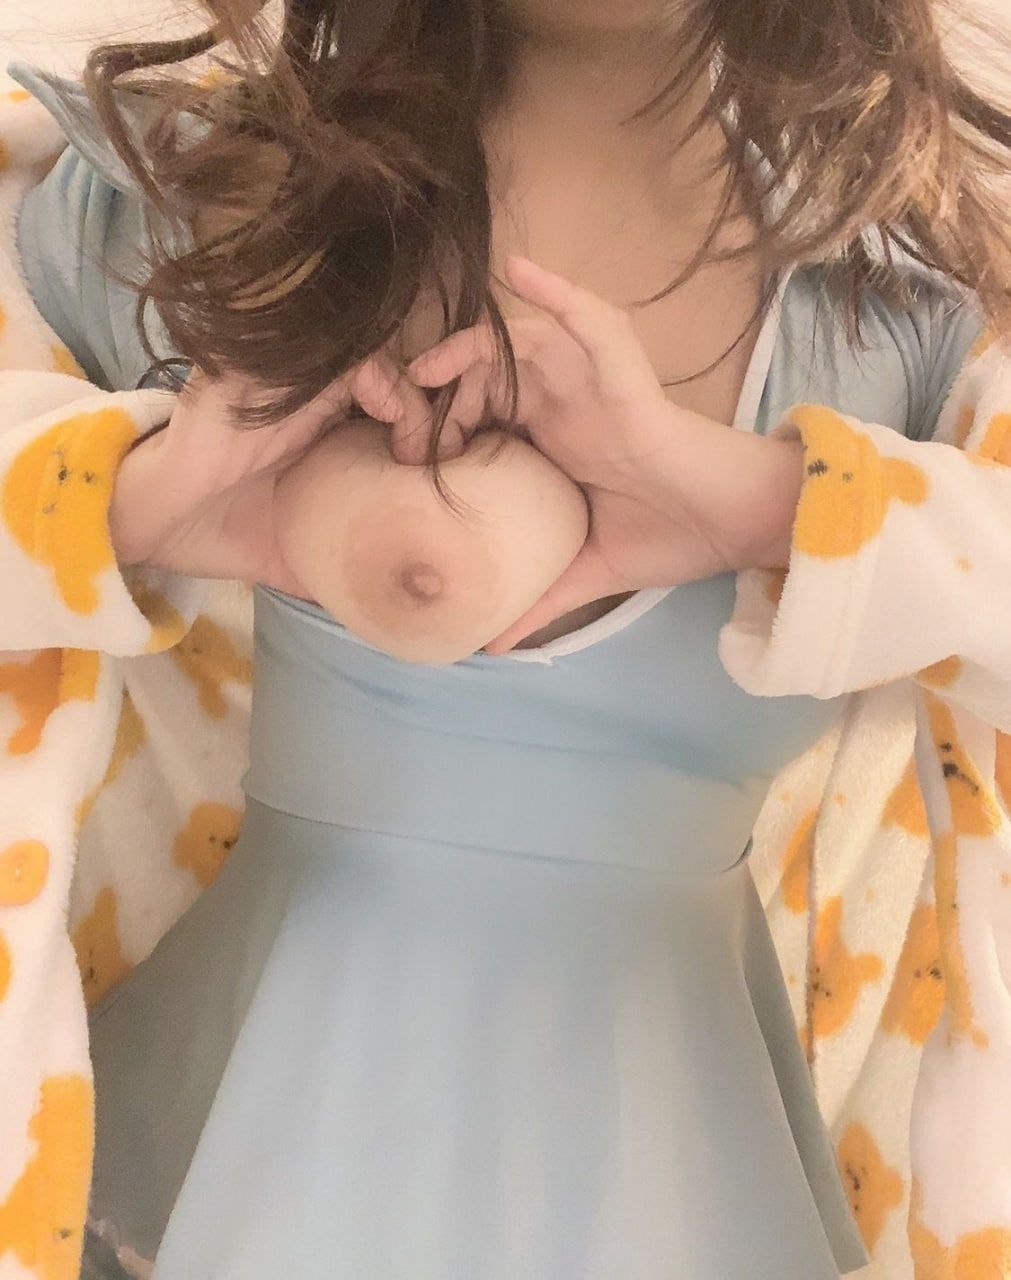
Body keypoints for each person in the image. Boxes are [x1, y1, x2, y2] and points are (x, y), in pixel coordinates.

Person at [0, 0, 1008, 1276]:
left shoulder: (910, 309)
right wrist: (129, 499)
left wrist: (774, 502)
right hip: (265, 1108)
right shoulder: (182, 200)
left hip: (673, 1146)